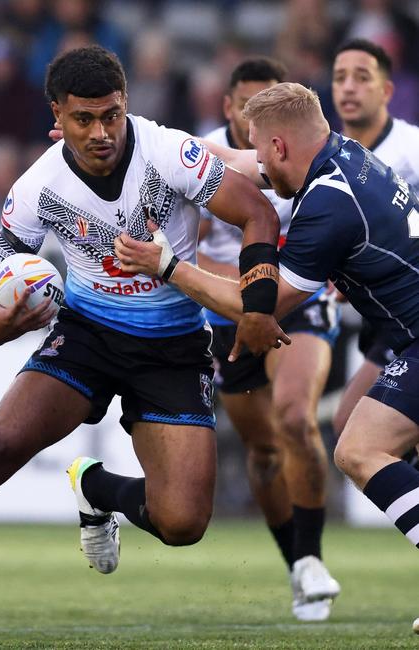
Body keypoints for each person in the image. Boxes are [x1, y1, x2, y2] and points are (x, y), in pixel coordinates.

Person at [0, 45, 288, 636]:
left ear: (126, 107)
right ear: (56, 119)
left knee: (183, 524)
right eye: (84, 119)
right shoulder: (39, 186)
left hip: (173, 344)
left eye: (111, 115)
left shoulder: (169, 154)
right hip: (86, 334)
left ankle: (94, 486)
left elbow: (259, 216)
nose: (101, 132)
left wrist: (258, 307)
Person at [115, 81, 419, 632]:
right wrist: (136, 137)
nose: (256, 160)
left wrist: (167, 267)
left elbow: (258, 307)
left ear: (280, 146)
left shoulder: (327, 204)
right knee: (365, 442)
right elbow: (233, 160)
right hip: (410, 337)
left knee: (359, 448)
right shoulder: (345, 154)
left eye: (261, 148)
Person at [197, 58, 340, 622]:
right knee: (262, 450)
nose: (254, 114)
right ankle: (295, 565)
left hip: (297, 301)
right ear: (230, 107)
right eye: (246, 103)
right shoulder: (200, 156)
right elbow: (187, 243)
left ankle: (311, 559)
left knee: (295, 418)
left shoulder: (302, 152)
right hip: (229, 313)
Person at [329, 38, 419, 436]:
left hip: (409, 307)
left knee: (354, 430)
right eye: (339, 78)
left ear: (386, 91)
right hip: (379, 315)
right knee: (351, 430)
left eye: (361, 78)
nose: (348, 87)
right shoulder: (326, 156)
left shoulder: (411, 149)